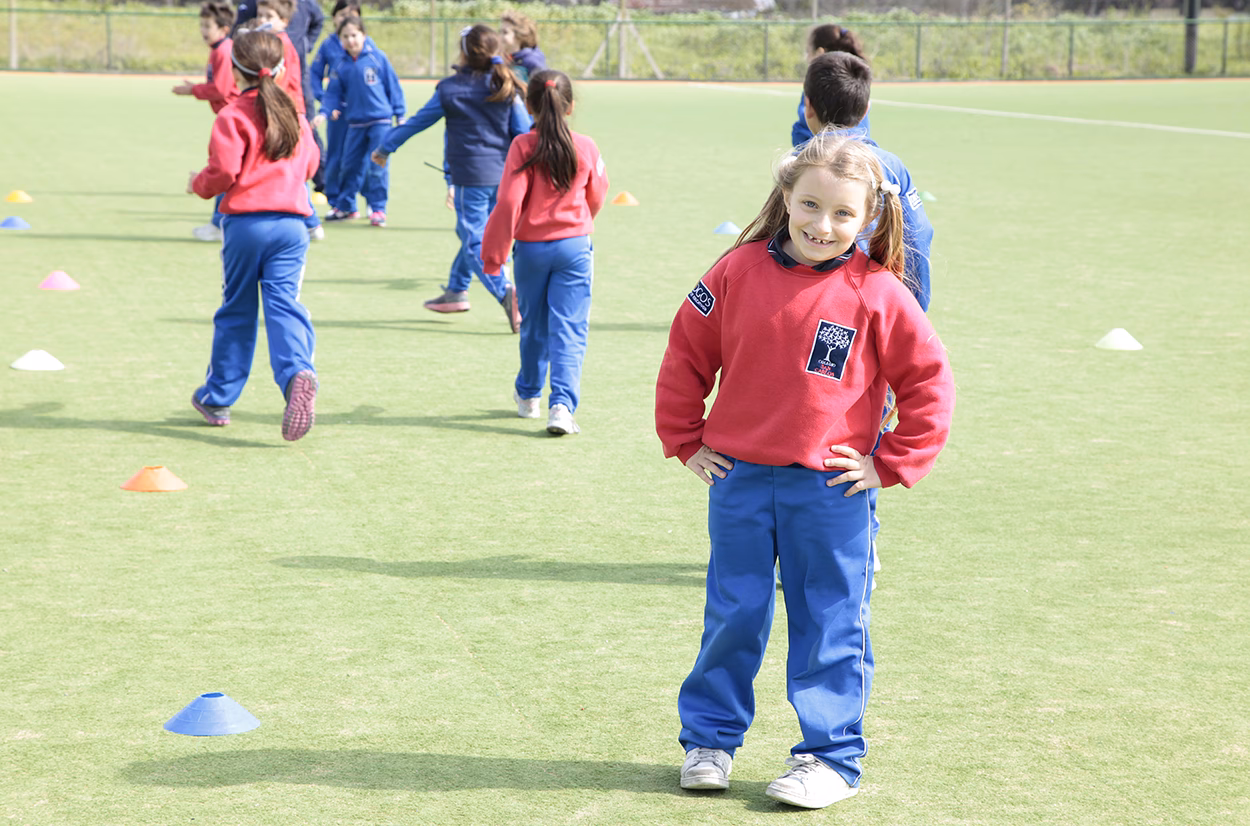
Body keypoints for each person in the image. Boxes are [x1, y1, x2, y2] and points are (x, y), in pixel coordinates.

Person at [655, 133, 955, 809]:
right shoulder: (733, 272)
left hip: (830, 490)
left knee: (829, 620)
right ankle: (710, 741)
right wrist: (684, 437)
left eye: (843, 214)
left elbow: (930, 381)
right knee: (733, 613)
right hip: (737, 482)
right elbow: (686, 352)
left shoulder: (878, 291)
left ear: (868, 218)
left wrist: (892, 462)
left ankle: (829, 758)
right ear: (785, 195)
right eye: (810, 205)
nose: (824, 225)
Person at [187, 28, 322, 442]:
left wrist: (198, 184)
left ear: (235, 68)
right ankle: (298, 372)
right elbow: (312, 165)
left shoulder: (233, 115)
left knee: (237, 310)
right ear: (282, 68)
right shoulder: (295, 114)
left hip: (246, 225)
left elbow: (224, 171)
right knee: (285, 305)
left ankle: (218, 396)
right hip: (292, 224)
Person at [371, 24, 531, 333]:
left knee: (474, 240)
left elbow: (417, 122)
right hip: (505, 178)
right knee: (477, 234)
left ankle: (505, 293)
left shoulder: (449, 89)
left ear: (464, 53)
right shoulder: (506, 85)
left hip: (470, 178)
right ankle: (457, 290)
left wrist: (384, 148)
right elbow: (523, 132)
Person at [480, 70, 608, 436]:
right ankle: (562, 407)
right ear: (569, 107)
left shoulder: (523, 145)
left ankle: (528, 396)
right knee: (570, 328)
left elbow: (507, 202)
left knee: (533, 324)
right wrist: (580, 221)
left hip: (532, 249)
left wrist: (494, 254)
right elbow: (597, 194)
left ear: (529, 104)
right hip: (575, 247)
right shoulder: (586, 146)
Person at [318, 15, 405, 227]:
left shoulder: (378, 58)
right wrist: (325, 111)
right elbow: (333, 93)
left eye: (354, 35)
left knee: (377, 166)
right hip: (355, 123)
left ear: (364, 36)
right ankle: (346, 206)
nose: (351, 41)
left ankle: (378, 209)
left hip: (380, 122)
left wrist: (400, 114)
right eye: (345, 37)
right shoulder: (340, 65)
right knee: (349, 165)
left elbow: (393, 87)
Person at [252, 0, 325, 240]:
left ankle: (312, 222)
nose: (263, 20)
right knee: (289, 169)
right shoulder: (275, 43)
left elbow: (280, 85)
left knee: (292, 170)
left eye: (269, 16)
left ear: (284, 21)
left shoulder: (282, 45)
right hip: (285, 114)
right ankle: (310, 222)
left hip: (289, 116)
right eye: (260, 15)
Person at [172, 0, 240, 243]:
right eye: (201, 25)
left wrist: (193, 91)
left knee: (224, 169)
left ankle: (218, 224)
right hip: (229, 116)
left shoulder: (223, 50)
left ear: (223, 29)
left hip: (232, 118)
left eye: (207, 25)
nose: (203, 30)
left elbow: (222, 90)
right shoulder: (218, 49)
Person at [309, 0, 367, 205]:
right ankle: (335, 200)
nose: (347, 19)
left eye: (353, 14)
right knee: (336, 157)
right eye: (342, 14)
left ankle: (368, 200)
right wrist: (324, 100)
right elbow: (314, 75)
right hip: (337, 112)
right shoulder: (328, 45)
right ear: (334, 18)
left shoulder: (367, 45)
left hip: (363, 112)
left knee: (363, 158)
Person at [791, 23, 870, 148]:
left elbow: (803, 134)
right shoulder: (855, 82)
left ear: (819, 52)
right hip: (857, 156)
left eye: (808, 51)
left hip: (820, 158)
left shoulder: (815, 88)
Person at [500, 11, 546, 82]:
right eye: (499, 32)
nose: (499, 36)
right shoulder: (504, 58)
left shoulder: (532, 63)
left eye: (505, 32)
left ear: (519, 35)